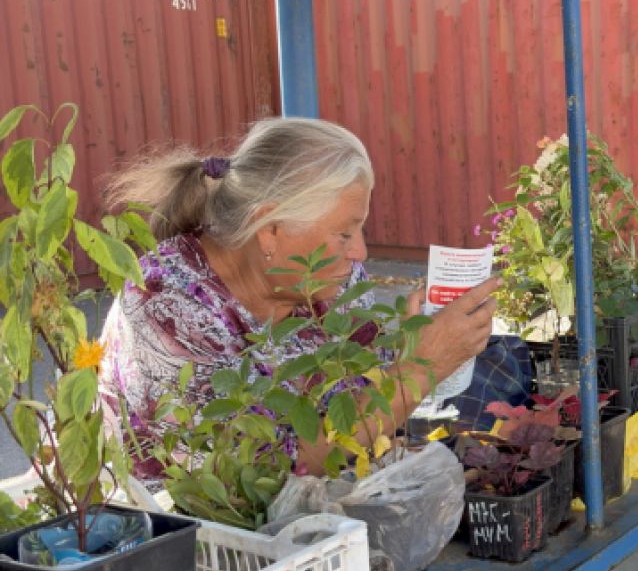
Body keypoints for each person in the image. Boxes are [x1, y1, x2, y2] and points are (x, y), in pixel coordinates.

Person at [98, 116, 527, 476]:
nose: (359, 252)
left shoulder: (332, 283)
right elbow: (272, 475)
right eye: (344, 233)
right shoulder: (166, 310)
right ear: (270, 229)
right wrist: (420, 369)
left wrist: (413, 350)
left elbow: (365, 402)